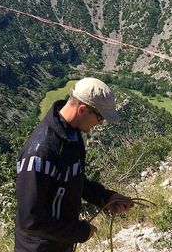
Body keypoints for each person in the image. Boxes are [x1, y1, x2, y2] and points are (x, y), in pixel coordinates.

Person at [15, 77, 134, 252]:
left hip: (60, 244)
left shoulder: (72, 134)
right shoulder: (40, 152)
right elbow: (30, 219)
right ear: (83, 109)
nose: (100, 123)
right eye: (100, 117)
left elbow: (75, 179)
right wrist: (80, 231)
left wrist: (106, 197)